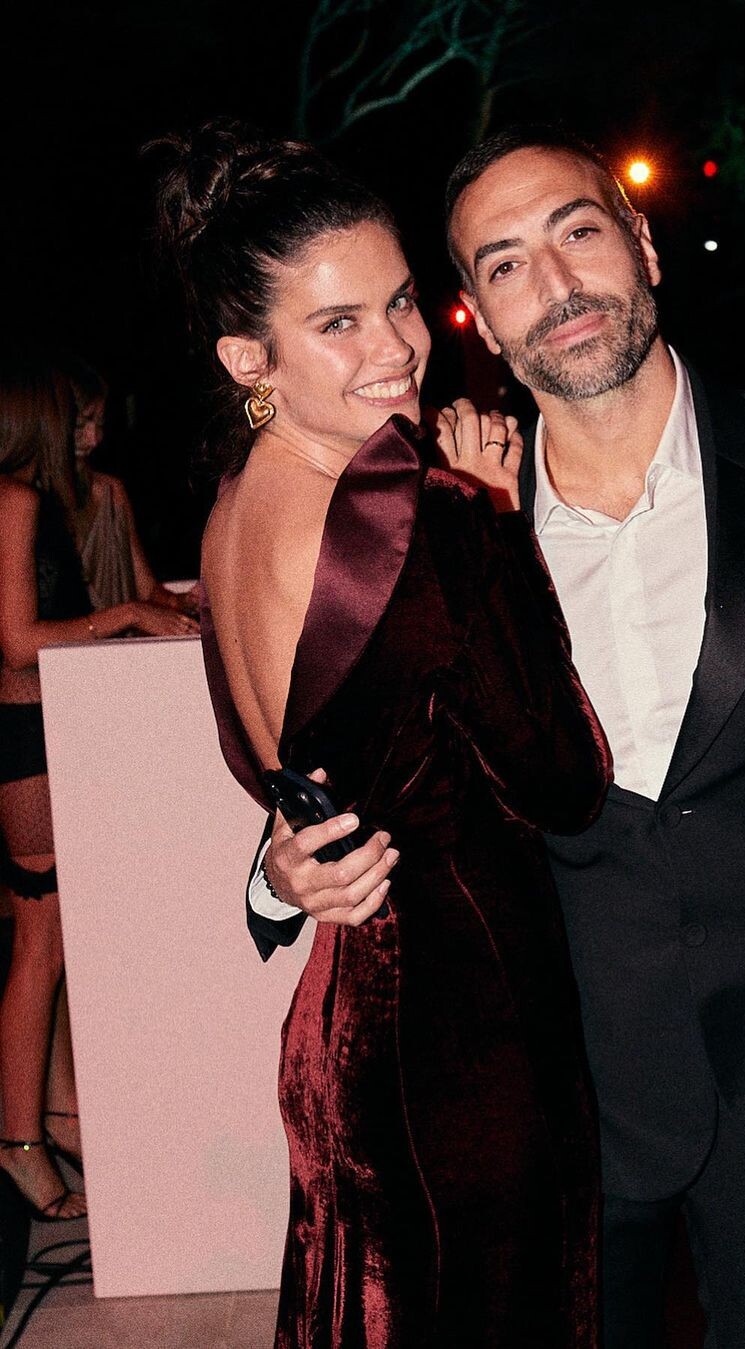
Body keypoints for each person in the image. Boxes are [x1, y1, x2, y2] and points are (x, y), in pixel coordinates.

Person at [254, 126, 745, 1348]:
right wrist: (281, 869)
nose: (555, 285)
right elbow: (365, 770)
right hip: (557, 1117)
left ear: (642, 245)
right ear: (477, 318)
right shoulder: (446, 529)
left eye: (578, 231)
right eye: (505, 265)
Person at [151, 121, 611, 1346]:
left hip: (339, 1023)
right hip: (468, 1041)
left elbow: (307, 769)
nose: (397, 346)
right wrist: (497, 517)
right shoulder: (425, 509)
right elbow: (562, 777)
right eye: (338, 323)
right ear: (248, 356)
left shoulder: (229, 515)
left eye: (400, 301)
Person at [0, 358, 198, 1224]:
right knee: (41, 946)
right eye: (72, 413)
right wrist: (122, 615)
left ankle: (55, 1117)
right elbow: (17, 641)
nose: (87, 428)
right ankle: (19, 1141)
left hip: (47, 726)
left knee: (55, 942)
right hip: (26, 734)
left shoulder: (34, 498)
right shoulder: (15, 499)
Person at [62, 356, 199, 616]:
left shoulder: (111, 492)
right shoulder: (21, 500)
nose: (94, 438)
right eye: (81, 424)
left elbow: (146, 589)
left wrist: (184, 601)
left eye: (100, 424)